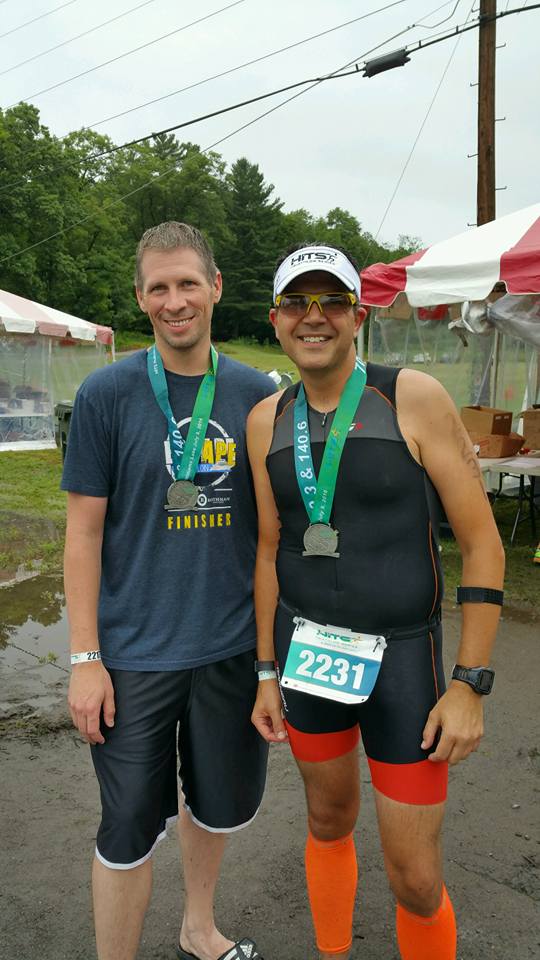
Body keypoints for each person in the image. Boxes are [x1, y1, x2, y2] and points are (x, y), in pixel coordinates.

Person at [247, 242, 505, 960]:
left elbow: (484, 544)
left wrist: (470, 684)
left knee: (416, 877)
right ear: (276, 320)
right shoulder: (266, 419)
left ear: (358, 315)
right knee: (327, 823)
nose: (315, 317)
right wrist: (265, 672)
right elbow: (271, 549)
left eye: (332, 301)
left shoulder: (412, 395)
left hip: (403, 670)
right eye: (298, 302)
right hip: (308, 661)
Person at [62, 221, 275, 960]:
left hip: (228, 651)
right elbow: (83, 533)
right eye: (159, 287)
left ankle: (198, 929)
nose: (175, 300)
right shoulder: (105, 392)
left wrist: (269, 663)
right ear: (140, 299)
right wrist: (85, 656)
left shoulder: (257, 394)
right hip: (133, 657)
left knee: (216, 806)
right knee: (125, 829)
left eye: (188, 283)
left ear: (215, 288)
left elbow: (274, 534)